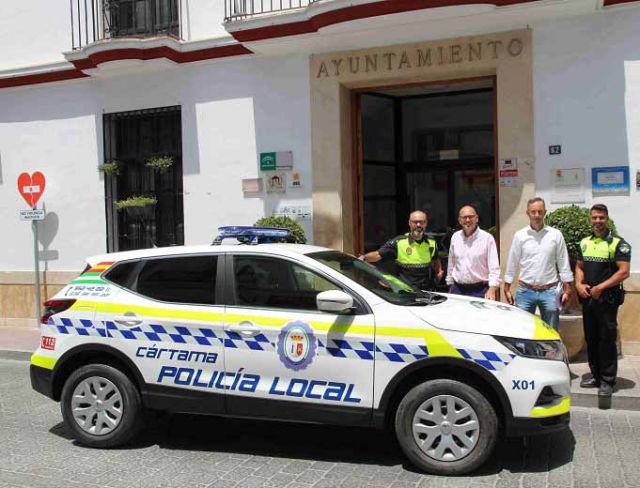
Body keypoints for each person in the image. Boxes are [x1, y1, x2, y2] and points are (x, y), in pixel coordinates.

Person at [575, 204, 630, 397]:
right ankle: (596, 375)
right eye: (594, 218)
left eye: (601, 218)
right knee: (591, 338)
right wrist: (578, 284)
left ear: (607, 219)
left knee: (607, 339)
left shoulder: (618, 243)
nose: (597, 221)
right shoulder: (584, 242)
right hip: (589, 299)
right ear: (590, 219)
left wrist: (601, 287)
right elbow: (579, 266)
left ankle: (608, 380)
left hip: (607, 300)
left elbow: (624, 272)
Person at [503, 197, 573, 329]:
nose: (536, 215)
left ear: (545, 212)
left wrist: (568, 288)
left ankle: (550, 351)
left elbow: (563, 262)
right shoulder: (520, 235)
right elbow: (512, 262)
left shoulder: (555, 235)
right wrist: (506, 287)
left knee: (551, 332)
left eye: (540, 212)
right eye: (533, 212)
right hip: (525, 291)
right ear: (527, 213)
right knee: (522, 331)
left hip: (550, 291)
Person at [359, 210, 443, 290]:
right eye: (415, 222)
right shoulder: (399, 242)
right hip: (405, 292)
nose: (418, 225)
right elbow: (378, 255)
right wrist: (364, 258)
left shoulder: (432, 242)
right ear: (409, 223)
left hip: (427, 290)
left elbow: (435, 259)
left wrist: (439, 273)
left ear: (426, 223)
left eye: (422, 222)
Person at [446, 205, 500, 299]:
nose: (467, 220)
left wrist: (492, 289)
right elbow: (451, 263)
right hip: (457, 290)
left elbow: (494, 267)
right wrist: (450, 284)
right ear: (459, 220)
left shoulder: (487, 238)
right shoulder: (455, 237)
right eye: (464, 217)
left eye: (470, 216)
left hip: (480, 290)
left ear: (477, 219)